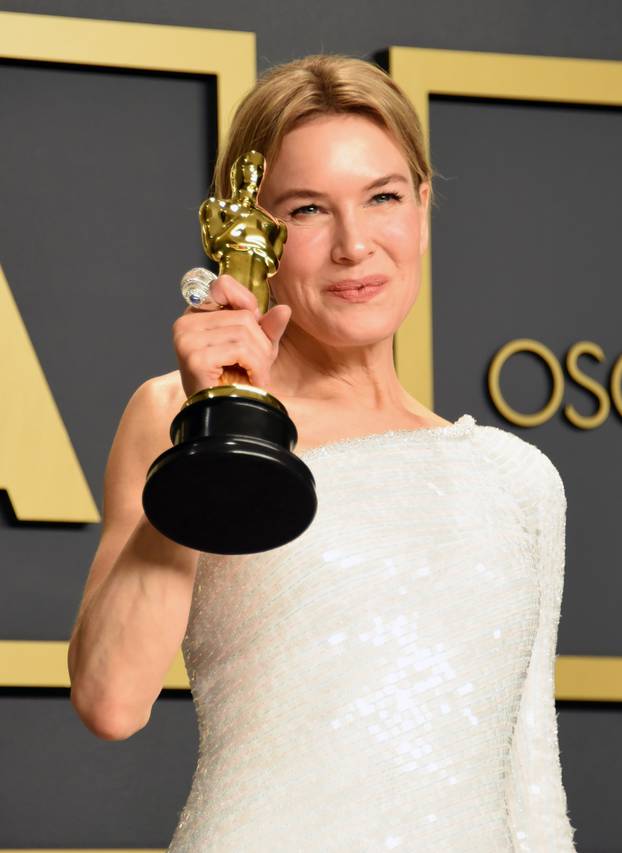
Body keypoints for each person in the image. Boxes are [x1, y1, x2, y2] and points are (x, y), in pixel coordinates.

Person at [68, 55, 577, 851]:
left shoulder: (517, 481)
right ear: (255, 236)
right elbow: (111, 699)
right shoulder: (179, 414)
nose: (353, 245)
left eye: (382, 197)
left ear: (423, 208)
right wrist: (219, 420)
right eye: (308, 209)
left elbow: (533, 789)